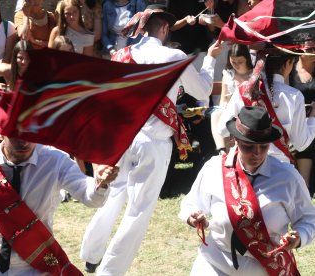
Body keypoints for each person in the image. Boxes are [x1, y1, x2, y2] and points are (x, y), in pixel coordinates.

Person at [80, 6, 223, 275]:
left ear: (142, 28)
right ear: (165, 29)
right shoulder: (173, 55)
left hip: (122, 136)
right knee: (138, 210)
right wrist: (211, 60)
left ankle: (90, 254)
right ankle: (109, 270)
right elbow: (203, 91)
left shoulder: (121, 55)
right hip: (153, 141)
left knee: (114, 194)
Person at [0, 133, 119, 274]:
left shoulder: (55, 160)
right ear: (1, 132)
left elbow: (92, 198)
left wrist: (101, 182)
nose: (25, 142)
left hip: (37, 266)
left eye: (31, 133)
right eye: (17, 134)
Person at [179, 106, 315, 275]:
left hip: (264, 266)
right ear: (234, 140)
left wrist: (299, 237)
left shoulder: (287, 177)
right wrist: (192, 216)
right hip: (215, 261)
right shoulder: (214, 168)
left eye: (263, 146)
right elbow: (190, 203)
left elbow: (309, 219)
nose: (257, 153)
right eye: (248, 146)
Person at [218, 46, 315, 163]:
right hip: (279, 166)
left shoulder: (243, 90)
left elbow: (223, 129)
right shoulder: (294, 96)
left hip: (246, 163)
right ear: (288, 63)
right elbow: (301, 144)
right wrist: (312, 117)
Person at [211, 43, 253, 154]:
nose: (236, 65)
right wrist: (225, 106)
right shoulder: (229, 74)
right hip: (231, 110)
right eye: (233, 62)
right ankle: (221, 150)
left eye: (240, 62)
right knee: (215, 114)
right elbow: (223, 100)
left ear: (247, 60)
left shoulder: (254, 74)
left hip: (248, 109)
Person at [289, 33, 315, 191]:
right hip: (297, 121)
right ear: (299, 49)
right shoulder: (290, 69)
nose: (313, 52)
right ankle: (303, 190)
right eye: (310, 49)